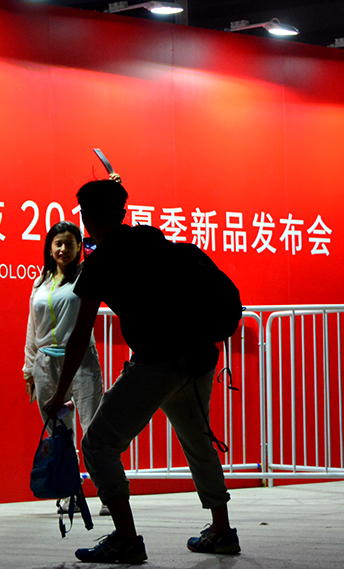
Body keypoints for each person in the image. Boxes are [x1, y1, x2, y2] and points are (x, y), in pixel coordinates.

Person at [42, 180, 239, 564]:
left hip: (157, 363)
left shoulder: (102, 262)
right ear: (122, 213)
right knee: (198, 443)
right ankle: (221, 530)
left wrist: (58, 393)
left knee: (98, 445)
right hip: (197, 358)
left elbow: (79, 336)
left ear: (85, 218)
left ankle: (126, 538)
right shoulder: (153, 240)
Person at [23, 221, 103, 436]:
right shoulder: (40, 282)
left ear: (79, 247)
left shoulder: (84, 276)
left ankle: (93, 460)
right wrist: (28, 370)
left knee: (92, 429)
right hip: (45, 363)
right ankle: (66, 461)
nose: (63, 249)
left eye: (69, 244)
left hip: (81, 360)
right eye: (58, 244)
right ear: (50, 247)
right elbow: (33, 326)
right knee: (57, 434)